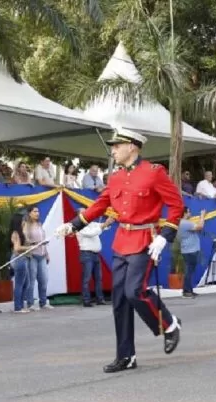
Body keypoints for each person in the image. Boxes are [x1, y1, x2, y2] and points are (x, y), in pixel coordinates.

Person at [55, 127, 183, 373]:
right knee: (120, 300)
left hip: (145, 238)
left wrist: (165, 236)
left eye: (116, 146)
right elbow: (101, 205)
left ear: (132, 146)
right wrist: (73, 225)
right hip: (122, 240)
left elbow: (176, 205)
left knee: (135, 291)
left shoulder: (154, 173)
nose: (112, 150)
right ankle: (126, 356)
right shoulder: (114, 177)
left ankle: (169, 324)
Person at [76, 215, 113, 307]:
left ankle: (100, 299)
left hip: (96, 254)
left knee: (98, 278)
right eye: (83, 213)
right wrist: (103, 225)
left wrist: (107, 223)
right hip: (86, 254)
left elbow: (105, 226)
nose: (87, 214)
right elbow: (91, 233)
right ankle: (86, 300)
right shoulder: (78, 226)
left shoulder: (92, 223)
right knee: (86, 279)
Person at [23, 206, 53, 310]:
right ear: (29, 213)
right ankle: (30, 304)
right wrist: (35, 243)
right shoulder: (26, 225)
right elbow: (25, 241)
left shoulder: (40, 224)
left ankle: (43, 302)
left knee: (43, 280)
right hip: (32, 255)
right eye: (35, 211)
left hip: (42, 255)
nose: (37, 213)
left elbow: (43, 240)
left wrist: (47, 253)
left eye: (38, 211)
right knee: (31, 281)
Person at [178, 207, 205, 299]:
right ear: (185, 213)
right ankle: (186, 291)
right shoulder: (185, 223)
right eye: (189, 212)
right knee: (189, 271)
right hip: (191, 250)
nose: (190, 213)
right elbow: (200, 227)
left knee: (189, 271)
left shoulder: (180, 223)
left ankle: (189, 290)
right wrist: (202, 216)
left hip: (186, 249)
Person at [10, 211, 31, 314]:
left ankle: (21, 305)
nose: (24, 221)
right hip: (18, 259)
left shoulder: (21, 232)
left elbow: (26, 242)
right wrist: (29, 247)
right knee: (19, 284)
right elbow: (17, 248)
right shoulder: (15, 233)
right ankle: (17, 307)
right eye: (23, 220)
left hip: (23, 258)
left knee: (26, 283)